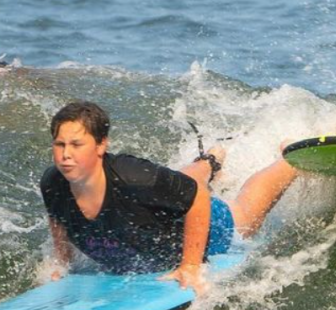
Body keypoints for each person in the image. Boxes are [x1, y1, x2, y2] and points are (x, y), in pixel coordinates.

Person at [41, 101, 296, 294]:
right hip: (158, 211)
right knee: (174, 183)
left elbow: (196, 197)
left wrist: (191, 266)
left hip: (206, 229)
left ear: (100, 146)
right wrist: (62, 262)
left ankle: (292, 159)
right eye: (59, 144)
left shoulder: (134, 178)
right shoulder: (53, 183)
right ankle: (210, 161)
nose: (65, 155)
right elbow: (58, 216)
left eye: (76, 145)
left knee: (245, 214)